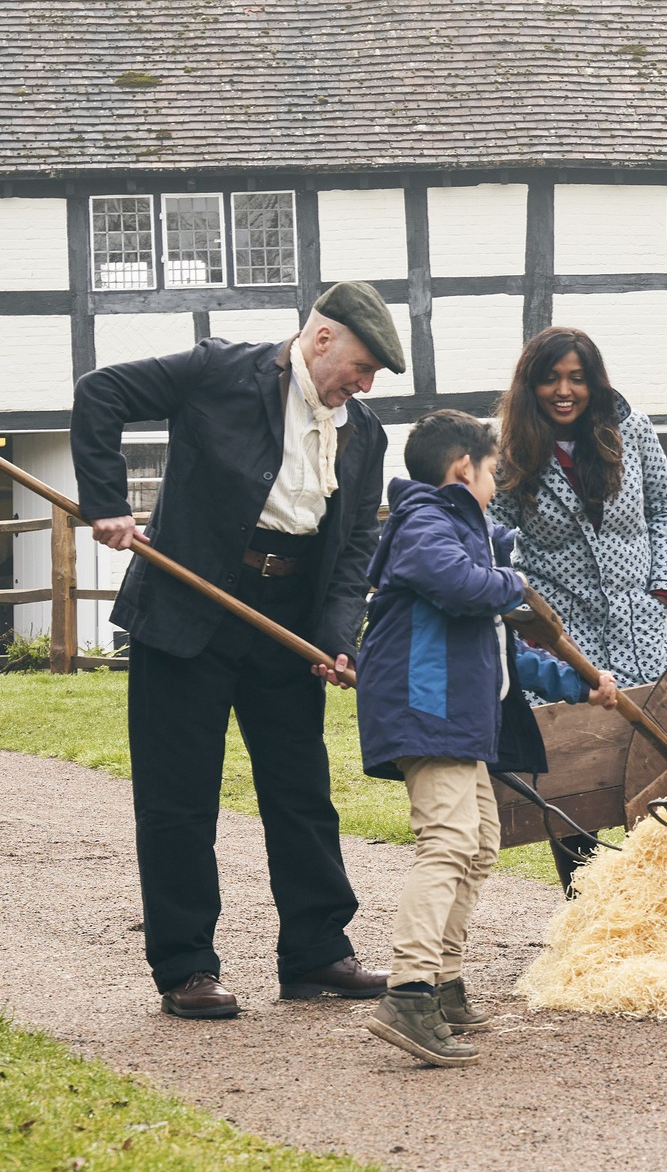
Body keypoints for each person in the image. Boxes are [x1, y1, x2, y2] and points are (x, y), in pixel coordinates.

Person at [71, 282, 404, 1018]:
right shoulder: (217, 370)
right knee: (178, 796)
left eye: (375, 374)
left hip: (286, 620)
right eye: (362, 364)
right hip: (189, 607)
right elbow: (99, 393)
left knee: (301, 790)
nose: (366, 382)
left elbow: (353, 546)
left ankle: (317, 953)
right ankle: (187, 966)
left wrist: (334, 636)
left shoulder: (365, 433)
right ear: (322, 339)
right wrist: (105, 500)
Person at [356, 409, 617, 1066]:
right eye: (493, 470)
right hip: (427, 708)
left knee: (478, 842)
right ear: (460, 468)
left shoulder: (471, 542)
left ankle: (442, 982)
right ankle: (407, 992)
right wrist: (513, 585)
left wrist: (577, 683)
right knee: (446, 840)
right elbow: (460, 586)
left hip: (460, 716)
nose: (497, 482)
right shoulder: (426, 521)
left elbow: (506, 651)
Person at [490, 326, 667, 891]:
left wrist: (662, 589)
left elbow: (666, 512)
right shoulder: (510, 453)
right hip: (562, 634)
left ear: (594, 382)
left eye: (576, 378)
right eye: (550, 379)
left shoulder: (634, 431)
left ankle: (666, 898)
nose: (563, 391)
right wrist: (524, 609)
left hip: (641, 627)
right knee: (571, 770)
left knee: (654, 762)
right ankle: (588, 906)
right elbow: (492, 536)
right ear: (532, 385)